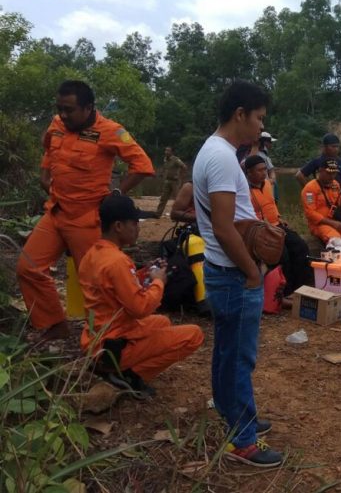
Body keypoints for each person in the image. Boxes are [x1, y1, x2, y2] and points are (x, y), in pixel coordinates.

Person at [17, 80, 154, 343]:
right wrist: (44, 175)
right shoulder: (57, 124)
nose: (63, 115)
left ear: (88, 107)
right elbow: (48, 151)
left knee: (98, 284)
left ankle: (110, 342)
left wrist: (116, 193)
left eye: (69, 109)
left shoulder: (111, 131)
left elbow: (142, 165)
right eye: (60, 108)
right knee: (28, 268)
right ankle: (54, 325)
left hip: (87, 219)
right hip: (56, 212)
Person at [192, 81, 283, 467]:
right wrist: (251, 272)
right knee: (239, 358)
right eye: (259, 118)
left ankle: (234, 415)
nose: (260, 128)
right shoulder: (222, 158)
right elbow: (225, 227)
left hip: (224, 270)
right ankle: (243, 441)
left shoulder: (217, 153)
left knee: (227, 351)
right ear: (240, 114)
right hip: (232, 273)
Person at [79, 195, 203, 398]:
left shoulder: (93, 254)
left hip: (97, 339)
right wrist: (159, 282)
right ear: (118, 226)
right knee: (194, 335)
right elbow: (140, 308)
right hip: (112, 348)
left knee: (162, 321)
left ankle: (113, 369)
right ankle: (131, 377)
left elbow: (111, 289)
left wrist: (143, 274)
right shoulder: (117, 261)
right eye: (134, 223)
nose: (138, 228)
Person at [244, 155, 312, 295]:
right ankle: (285, 292)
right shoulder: (244, 191)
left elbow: (272, 203)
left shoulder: (268, 184)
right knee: (283, 256)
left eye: (265, 169)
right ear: (249, 172)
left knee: (300, 247)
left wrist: (279, 217)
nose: (264, 173)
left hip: (277, 226)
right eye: (259, 170)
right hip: (261, 230)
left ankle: (300, 287)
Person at [156, 146, 188, 217]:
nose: (166, 152)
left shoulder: (176, 160)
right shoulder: (165, 159)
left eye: (168, 151)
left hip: (175, 182)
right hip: (167, 181)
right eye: (165, 150)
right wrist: (161, 174)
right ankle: (158, 214)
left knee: (177, 199)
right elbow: (165, 168)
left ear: (172, 152)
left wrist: (181, 176)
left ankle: (177, 215)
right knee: (163, 198)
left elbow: (184, 167)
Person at [256, 131, 279, 202]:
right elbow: (271, 170)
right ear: (265, 143)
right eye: (270, 142)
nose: (271, 144)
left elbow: (271, 170)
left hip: (268, 185)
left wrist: (272, 179)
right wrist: (271, 180)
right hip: (265, 187)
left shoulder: (264, 154)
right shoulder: (261, 155)